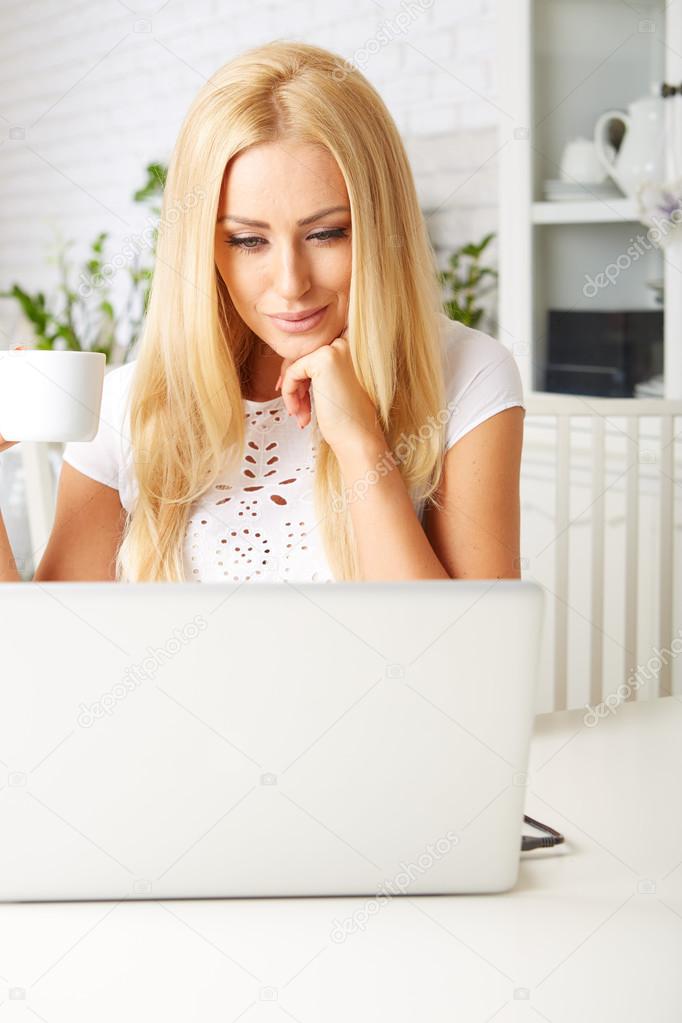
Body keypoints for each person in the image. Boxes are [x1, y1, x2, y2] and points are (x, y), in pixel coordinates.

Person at [0, 40, 525, 585]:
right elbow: (52, 653)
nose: (292, 283)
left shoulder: (468, 376)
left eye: (326, 234)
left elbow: (463, 655)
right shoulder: (127, 407)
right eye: (249, 241)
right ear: (203, 249)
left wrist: (363, 447)